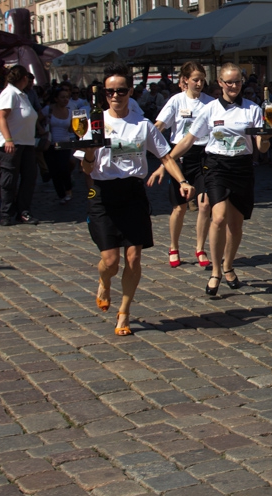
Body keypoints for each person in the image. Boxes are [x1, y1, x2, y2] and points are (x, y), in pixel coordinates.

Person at [77, 63, 194, 336]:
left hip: (133, 194)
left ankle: (124, 313)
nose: (115, 96)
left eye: (120, 90)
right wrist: (91, 152)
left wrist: (183, 181)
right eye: (110, 91)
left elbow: (165, 156)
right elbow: (85, 168)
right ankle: (104, 281)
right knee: (110, 261)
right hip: (103, 194)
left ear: (130, 91)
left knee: (133, 257)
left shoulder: (142, 125)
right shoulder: (95, 124)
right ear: (104, 94)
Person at [166, 62, 272, 297]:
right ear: (221, 83)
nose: (233, 86)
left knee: (236, 224)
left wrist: (266, 136)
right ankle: (215, 271)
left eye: (237, 82)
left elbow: (261, 148)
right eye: (229, 82)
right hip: (216, 166)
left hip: (242, 168)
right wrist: (167, 161)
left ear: (242, 83)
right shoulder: (210, 109)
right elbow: (188, 139)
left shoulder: (252, 109)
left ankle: (228, 265)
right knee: (219, 217)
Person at [150, 61, 214, 270]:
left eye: (202, 80)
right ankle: (174, 246)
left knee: (205, 204)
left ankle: (200, 248)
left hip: (203, 155)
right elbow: (160, 125)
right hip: (179, 155)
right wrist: (147, 140)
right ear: (185, 80)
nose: (199, 83)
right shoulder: (176, 101)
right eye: (195, 79)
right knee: (180, 206)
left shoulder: (210, 102)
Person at [0, 65, 40, 226]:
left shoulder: (23, 95)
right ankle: (6, 213)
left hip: (26, 142)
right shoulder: (9, 93)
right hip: (11, 143)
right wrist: (8, 139)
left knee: (29, 176)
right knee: (9, 178)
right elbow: (1, 117)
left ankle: (23, 211)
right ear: (24, 78)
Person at [42, 87, 74, 204]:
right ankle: (61, 194)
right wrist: (42, 131)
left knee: (63, 168)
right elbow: (36, 119)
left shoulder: (70, 111)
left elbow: (71, 129)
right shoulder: (48, 110)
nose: (65, 99)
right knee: (54, 171)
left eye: (67, 97)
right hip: (50, 143)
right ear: (56, 98)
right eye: (62, 97)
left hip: (65, 143)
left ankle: (68, 190)